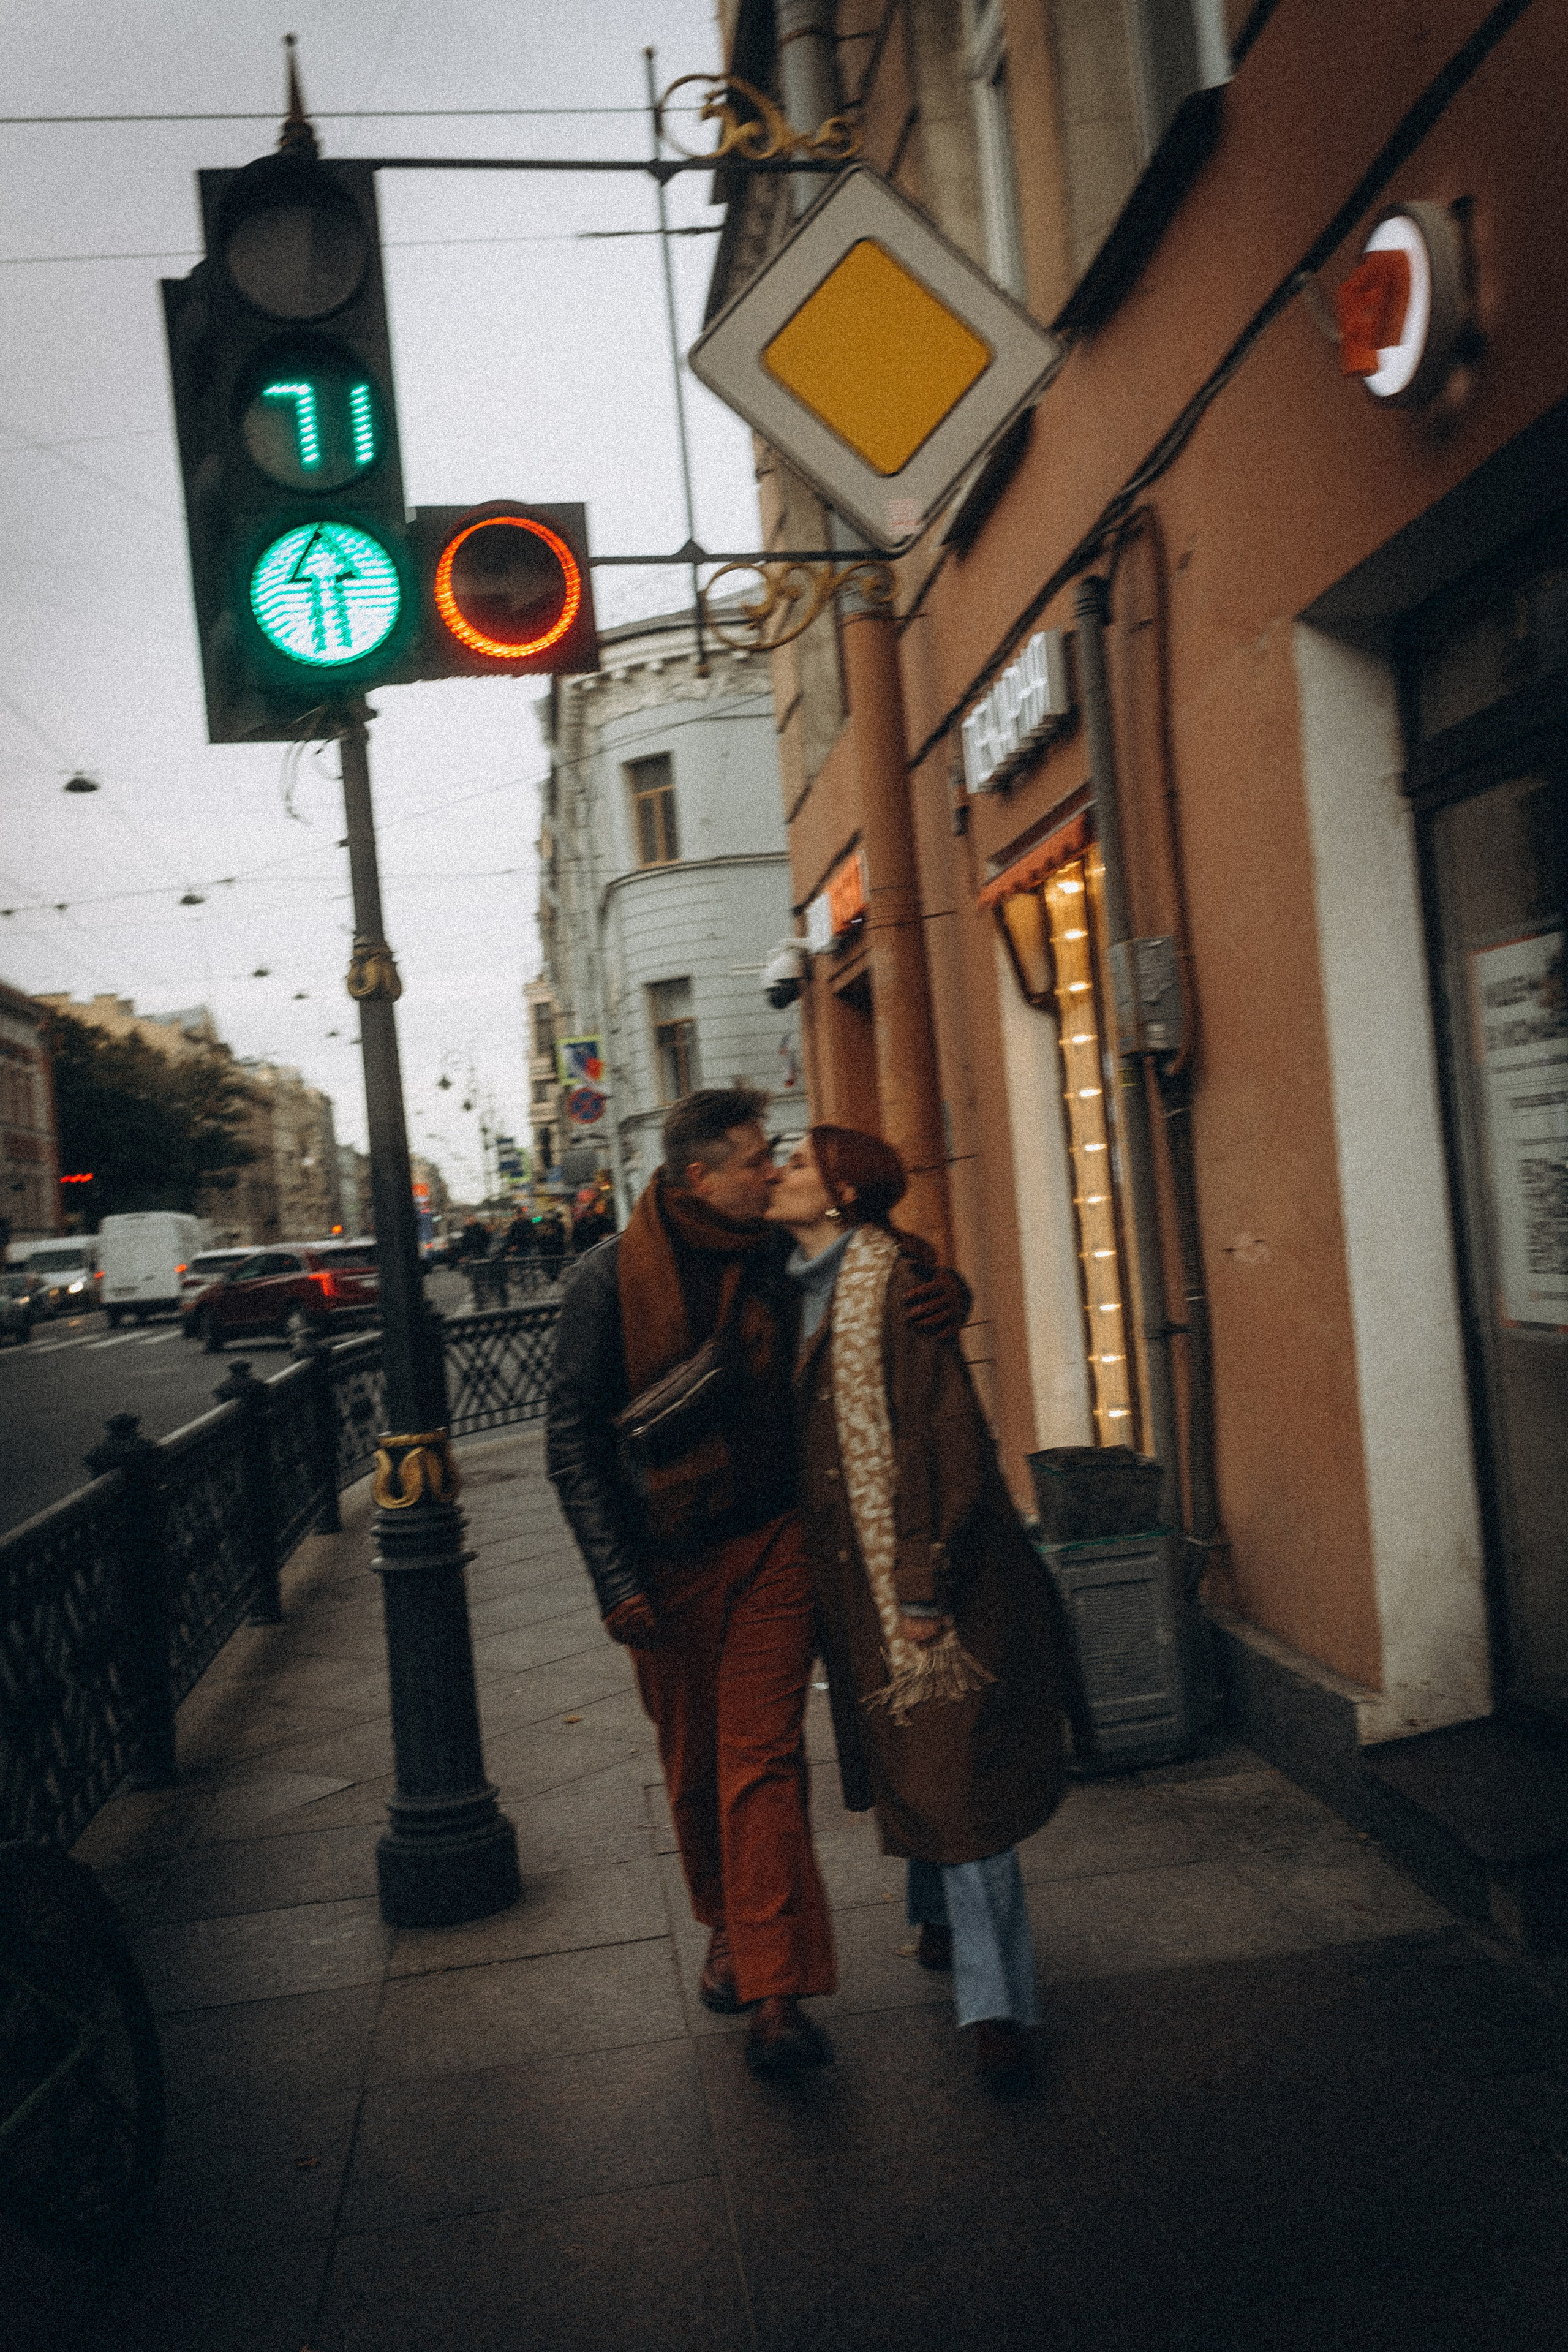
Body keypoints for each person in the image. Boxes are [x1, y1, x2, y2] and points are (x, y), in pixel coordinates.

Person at [546, 1087, 969, 2078]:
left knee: (763, 1760)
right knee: (695, 1771)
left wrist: (948, 1294)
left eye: (774, 1155)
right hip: (662, 1562)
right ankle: (727, 1928)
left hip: (778, 1541)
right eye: (752, 1160)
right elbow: (572, 1443)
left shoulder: (782, 1257)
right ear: (698, 1177)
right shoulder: (604, 1279)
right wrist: (616, 1580)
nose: (774, 1172)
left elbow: (882, 1277)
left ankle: (778, 1994)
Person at [768, 1124, 1070, 2087]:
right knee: (911, 1751)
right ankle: (937, 1918)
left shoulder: (895, 1284)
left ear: (846, 1193)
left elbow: (944, 1442)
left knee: (953, 1781)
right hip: (845, 1574)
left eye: (801, 1163)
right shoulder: (781, 1287)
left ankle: (998, 2009)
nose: (781, 1173)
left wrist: (921, 1582)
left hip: (923, 1572)